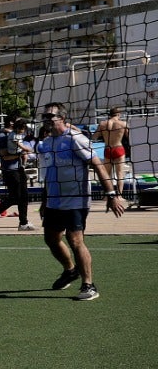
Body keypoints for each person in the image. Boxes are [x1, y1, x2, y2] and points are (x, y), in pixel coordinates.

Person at [37, 108, 126, 301]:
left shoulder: (75, 139)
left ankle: (89, 285)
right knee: (51, 239)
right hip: (54, 200)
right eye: (44, 116)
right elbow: (49, 175)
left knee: (75, 240)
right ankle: (70, 270)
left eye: (50, 116)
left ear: (61, 118)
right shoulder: (47, 143)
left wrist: (111, 195)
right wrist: (44, 201)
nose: (46, 120)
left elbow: (97, 164)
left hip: (76, 199)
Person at [0, 118, 34, 230]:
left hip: (19, 169)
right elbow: (4, 155)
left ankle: (23, 223)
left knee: (24, 196)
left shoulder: (17, 135)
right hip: (9, 170)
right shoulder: (3, 136)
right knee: (15, 197)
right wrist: (21, 153)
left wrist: (23, 154)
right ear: (12, 123)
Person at [96, 107, 130, 197]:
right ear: (119, 114)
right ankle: (119, 196)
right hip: (118, 148)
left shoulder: (103, 124)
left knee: (107, 175)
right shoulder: (123, 123)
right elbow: (129, 137)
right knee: (120, 175)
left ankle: (107, 197)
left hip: (107, 149)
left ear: (110, 114)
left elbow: (94, 136)